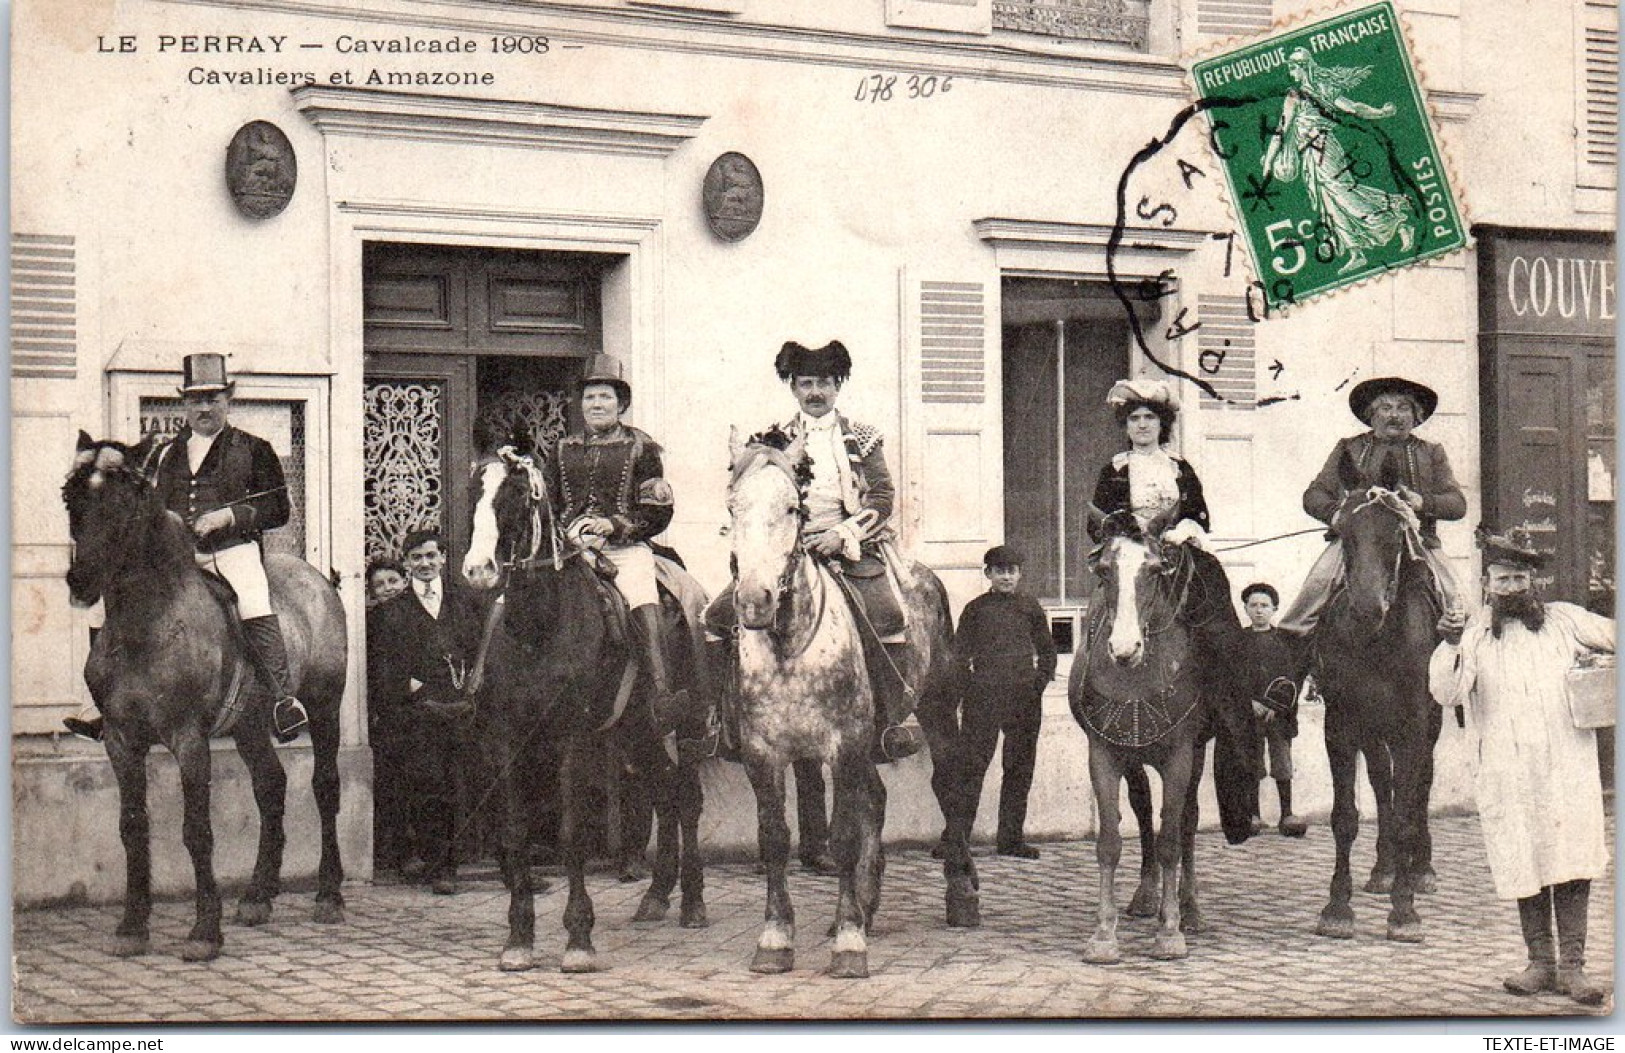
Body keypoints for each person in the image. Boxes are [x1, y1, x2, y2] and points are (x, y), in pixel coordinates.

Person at [65, 353, 307, 743]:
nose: (205, 407)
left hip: (232, 551)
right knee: (104, 603)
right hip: (176, 555)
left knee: (253, 600)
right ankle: (101, 707)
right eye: (196, 399)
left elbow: (278, 508)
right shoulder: (165, 453)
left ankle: (283, 701)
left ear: (229, 399)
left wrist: (228, 516)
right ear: (184, 403)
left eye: (213, 398)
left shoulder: (254, 448)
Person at [708, 340, 924, 763]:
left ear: (837, 386)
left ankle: (885, 723)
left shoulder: (862, 437)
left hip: (849, 547)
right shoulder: (771, 439)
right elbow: (750, 495)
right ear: (792, 388)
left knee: (887, 613)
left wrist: (842, 534)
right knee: (718, 616)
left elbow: (880, 497)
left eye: (824, 382)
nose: (815, 392)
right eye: (805, 383)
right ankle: (726, 723)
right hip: (784, 550)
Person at [1431, 530, 1615, 1006]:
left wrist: (1601, 667)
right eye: (1502, 580)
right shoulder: (1473, 634)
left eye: (1519, 578)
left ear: (1534, 581)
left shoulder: (1565, 621)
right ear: (1487, 585)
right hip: (1506, 773)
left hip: (1567, 768)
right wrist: (1449, 645)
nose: (1512, 588)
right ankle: (1540, 963)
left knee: (1571, 860)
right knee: (1524, 859)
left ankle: (1574, 969)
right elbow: (1447, 693)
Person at [1088, 378, 1257, 841]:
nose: (1142, 426)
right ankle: (1090, 689)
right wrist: (1126, 533)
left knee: (1218, 625)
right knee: (1105, 612)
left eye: (1150, 419)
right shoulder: (1115, 467)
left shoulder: (1179, 466)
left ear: (1163, 425)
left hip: (1178, 556)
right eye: (1135, 419)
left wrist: (1181, 527)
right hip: (1128, 556)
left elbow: (1199, 512)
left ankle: (1230, 706)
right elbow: (1097, 518)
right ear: (1127, 426)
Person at [549, 354, 686, 747]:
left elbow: (659, 509)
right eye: (590, 397)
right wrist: (568, 531)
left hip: (624, 549)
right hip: (572, 547)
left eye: (604, 397)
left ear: (620, 403)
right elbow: (550, 505)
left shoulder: (641, 447)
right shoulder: (562, 448)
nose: (596, 404)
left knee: (642, 594)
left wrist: (613, 526)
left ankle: (660, 694)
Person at [1279, 376, 1466, 635]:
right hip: (1356, 541)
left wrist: (1422, 501)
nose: (1395, 415)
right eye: (1386, 408)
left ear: (1416, 416)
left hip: (1419, 543)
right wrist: (1335, 515)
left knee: (1459, 602)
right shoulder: (1350, 448)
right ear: (1372, 415)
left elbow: (1457, 504)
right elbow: (1314, 494)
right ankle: (1292, 664)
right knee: (1311, 595)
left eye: (1403, 408)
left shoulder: (1430, 452)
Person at [374, 529, 483, 895]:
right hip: (421, 716)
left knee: (466, 785)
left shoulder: (464, 602)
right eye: (417, 558)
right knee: (430, 789)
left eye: (431, 556)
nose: (425, 564)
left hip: (464, 710)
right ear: (406, 564)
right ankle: (441, 867)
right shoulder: (392, 611)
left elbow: (479, 648)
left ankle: (478, 861)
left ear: (442, 559)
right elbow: (385, 669)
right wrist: (417, 690)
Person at [1259, 47, 1416, 276]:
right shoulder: (1322, 90)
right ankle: (1356, 253)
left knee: (1343, 194)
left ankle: (1398, 223)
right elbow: (1353, 108)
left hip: (1323, 149)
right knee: (1331, 202)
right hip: (1312, 154)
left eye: (1293, 67)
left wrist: (1268, 162)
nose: (1290, 71)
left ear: (1303, 68)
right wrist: (1380, 112)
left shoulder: (1298, 95)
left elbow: (1282, 130)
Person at [949, 545, 1057, 859]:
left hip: (1024, 698)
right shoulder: (975, 609)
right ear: (989, 574)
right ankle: (957, 840)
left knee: (1019, 769)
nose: (1006, 577)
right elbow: (959, 655)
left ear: (1020, 574)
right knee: (971, 767)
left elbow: (1047, 651)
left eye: (1012, 571)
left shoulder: (1030, 607)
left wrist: (1039, 681)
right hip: (983, 698)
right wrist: (969, 688)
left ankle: (1010, 840)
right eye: (999, 571)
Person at [1239, 583, 1309, 838]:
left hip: (1279, 716)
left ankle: (1287, 814)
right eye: (1254, 606)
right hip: (1249, 715)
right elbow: (1233, 677)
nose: (1259, 611)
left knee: (1282, 762)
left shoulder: (1285, 641)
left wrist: (1275, 705)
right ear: (1245, 609)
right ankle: (1253, 815)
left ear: (1274, 609)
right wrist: (1250, 703)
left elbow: (1292, 677)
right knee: (1252, 762)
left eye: (1264, 606)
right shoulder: (1239, 640)